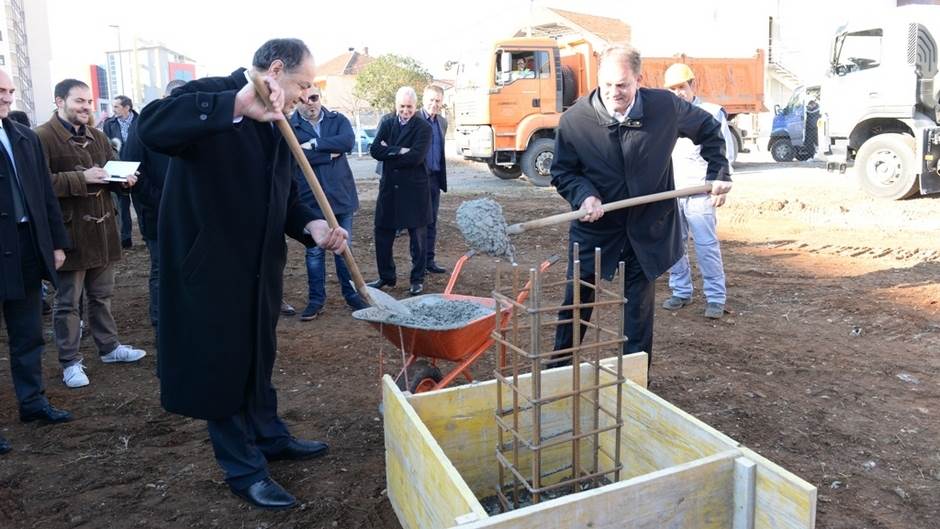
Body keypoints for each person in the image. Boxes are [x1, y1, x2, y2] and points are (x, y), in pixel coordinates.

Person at [137, 38, 348, 511]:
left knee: (257, 354)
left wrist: (311, 224)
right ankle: (243, 469)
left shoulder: (278, 123)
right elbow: (151, 129)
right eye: (302, 84)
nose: (304, 94)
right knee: (222, 364)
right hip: (210, 269)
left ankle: (269, 435)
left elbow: (284, 195)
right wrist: (235, 104)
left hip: (259, 267)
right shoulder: (213, 94)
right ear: (275, 69)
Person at [549, 44, 732, 369]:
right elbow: (563, 171)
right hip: (596, 229)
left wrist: (718, 171)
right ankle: (557, 370)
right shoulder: (576, 121)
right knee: (577, 301)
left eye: (622, 85)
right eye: (606, 85)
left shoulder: (665, 107)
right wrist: (584, 195)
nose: (613, 93)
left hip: (646, 227)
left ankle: (636, 381)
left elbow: (709, 130)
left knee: (638, 311)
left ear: (639, 79)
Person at [35, 79, 146, 389]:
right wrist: (79, 177)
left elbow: (108, 171)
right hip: (69, 233)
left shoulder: (97, 136)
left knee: (102, 296)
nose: (85, 107)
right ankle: (69, 362)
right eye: (78, 101)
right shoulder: (42, 137)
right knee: (68, 302)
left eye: (88, 101)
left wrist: (122, 180)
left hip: (102, 230)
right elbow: (38, 185)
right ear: (59, 101)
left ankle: (109, 348)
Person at [0, 68, 73, 455]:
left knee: (28, 333)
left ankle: (32, 402)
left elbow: (45, 195)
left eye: (10, 90)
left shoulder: (23, 136)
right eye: (1, 90)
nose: (8, 96)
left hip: (27, 248)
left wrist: (56, 244)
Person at [661, 63, 735, 320]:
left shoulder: (711, 113)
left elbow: (724, 152)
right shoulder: (664, 117)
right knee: (673, 246)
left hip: (702, 192)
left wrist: (721, 182)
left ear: (693, 86)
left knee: (706, 246)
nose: (678, 93)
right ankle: (681, 291)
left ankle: (715, 297)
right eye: (672, 89)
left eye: (682, 87)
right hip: (671, 193)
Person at [289, 86, 368, 320]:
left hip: (341, 196)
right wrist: (328, 152)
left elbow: (346, 142)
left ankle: (352, 295)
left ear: (320, 98)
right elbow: (294, 156)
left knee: (344, 248)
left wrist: (312, 146)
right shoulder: (291, 126)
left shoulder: (338, 120)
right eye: (302, 100)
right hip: (310, 201)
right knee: (314, 252)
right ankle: (316, 300)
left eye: (313, 98)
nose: (309, 103)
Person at [121, 80, 186, 340]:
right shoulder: (144, 127)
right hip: (156, 214)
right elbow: (131, 171)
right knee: (161, 269)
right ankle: (161, 324)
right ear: (165, 97)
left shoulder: (193, 127)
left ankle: (185, 318)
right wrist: (163, 201)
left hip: (190, 216)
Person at [368, 86, 432, 296]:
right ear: (396, 106)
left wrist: (390, 151)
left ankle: (417, 279)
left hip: (414, 191)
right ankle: (386, 277)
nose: (405, 111)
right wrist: (399, 150)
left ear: (416, 106)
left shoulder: (423, 127)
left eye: (409, 107)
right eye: (402, 106)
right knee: (382, 233)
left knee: (418, 238)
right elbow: (375, 150)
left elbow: (417, 157)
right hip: (390, 190)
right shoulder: (387, 123)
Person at [417, 85, 448, 275]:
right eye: (431, 100)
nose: (434, 104)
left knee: (432, 222)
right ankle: (418, 266)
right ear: (423, 100)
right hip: (418, 180)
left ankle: (429, 260)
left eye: (437, 101)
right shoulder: (415, 119)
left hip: (435, 179)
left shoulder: (442, 123)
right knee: (419, 224)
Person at [101, 95, 137, 249]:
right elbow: (107, 147)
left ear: (127, 107)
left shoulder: (140, 121)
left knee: (141, 203)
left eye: (116, 106)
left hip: (138, 169)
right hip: (119, 168)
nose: (113, 109)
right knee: (122, 204)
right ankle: (125, 238)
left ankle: (148, 235)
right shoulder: (109, 124)